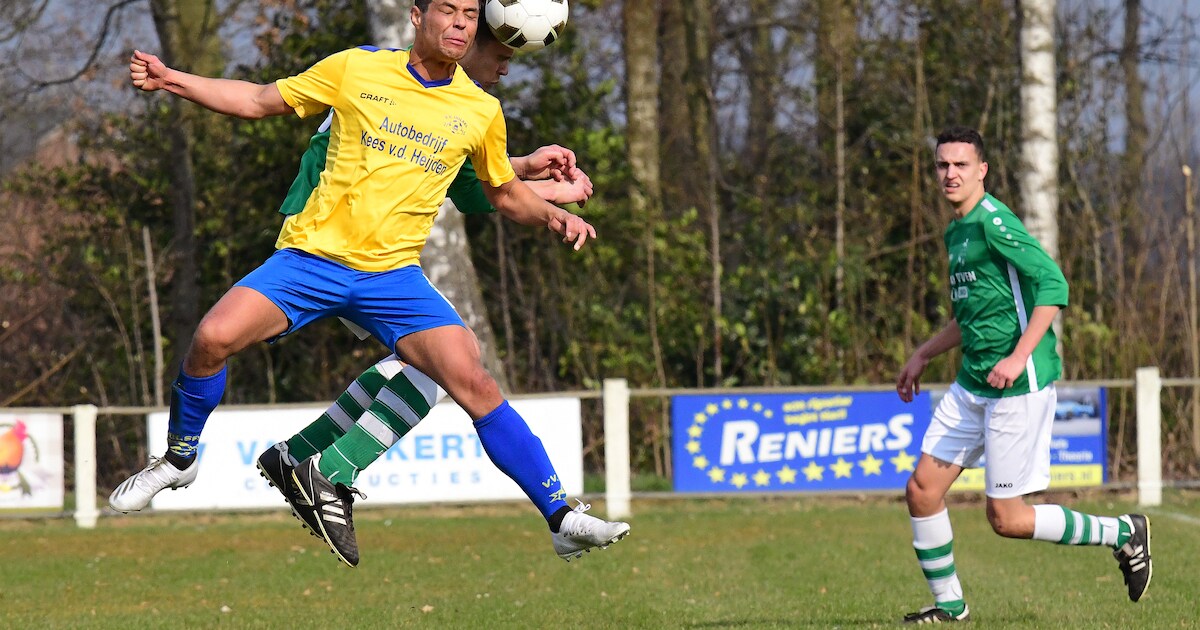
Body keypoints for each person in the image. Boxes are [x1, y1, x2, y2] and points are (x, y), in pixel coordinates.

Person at [108, 0, 629, 568]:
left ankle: (560, 517)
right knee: (212, 338)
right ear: (417, 16)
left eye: (470, 14)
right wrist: (171, 79)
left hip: (392, 277)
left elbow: (498, 194)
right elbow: (257, 101)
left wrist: (552, 213)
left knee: (471, 377)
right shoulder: (358, 68)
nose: (460, 23)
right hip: (312, 258)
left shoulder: (480, 110)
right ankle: (180, 459)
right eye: (448, 10)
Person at [255, 23, 611, 564]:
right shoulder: (405, 84)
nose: (506, 67)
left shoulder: (446, 99)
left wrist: (529, 175)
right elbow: (470, 188)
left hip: (364, 250)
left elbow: (463, 181)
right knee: (447, 369)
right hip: (335, 245)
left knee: (446, 366)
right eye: (501, 53)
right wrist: (544, 195)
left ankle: (297, 457)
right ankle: (329, 470)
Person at [894, 126, 1151, 623]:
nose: (950, 174)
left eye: (961, 165)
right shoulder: (956, 231)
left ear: (982, 170)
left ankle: (1123, 532)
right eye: (943, 165)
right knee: (922, 490)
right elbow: (972, 315)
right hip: (974, 381)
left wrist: (1017, 357)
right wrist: (924, 353)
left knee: (1006, 519)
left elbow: (1054, 285)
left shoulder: (994, 222)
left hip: (1016, 384)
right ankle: (950, 606)